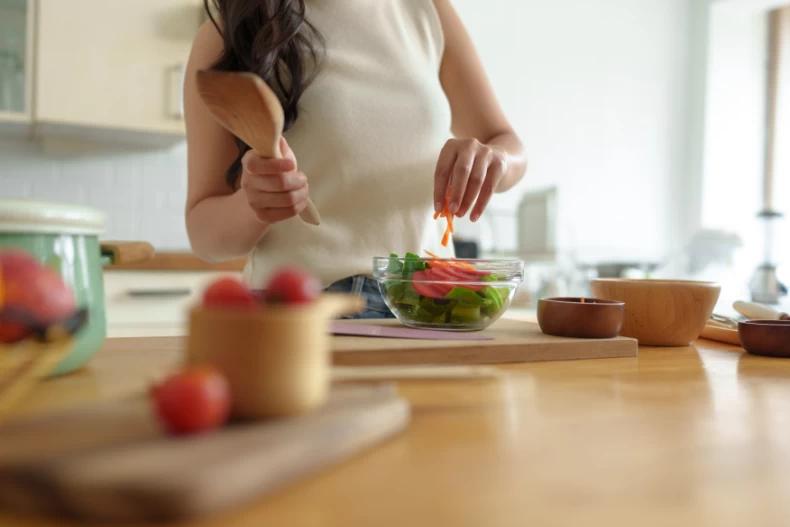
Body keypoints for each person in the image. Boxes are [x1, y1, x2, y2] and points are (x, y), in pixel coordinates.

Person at [184, 0, 526, 318]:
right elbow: (204, 235)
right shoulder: (230, 33)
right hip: (306, 312)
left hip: (429, 310)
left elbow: (507, 143)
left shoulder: (424, 8)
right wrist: (253, 205)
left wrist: (494, 160)